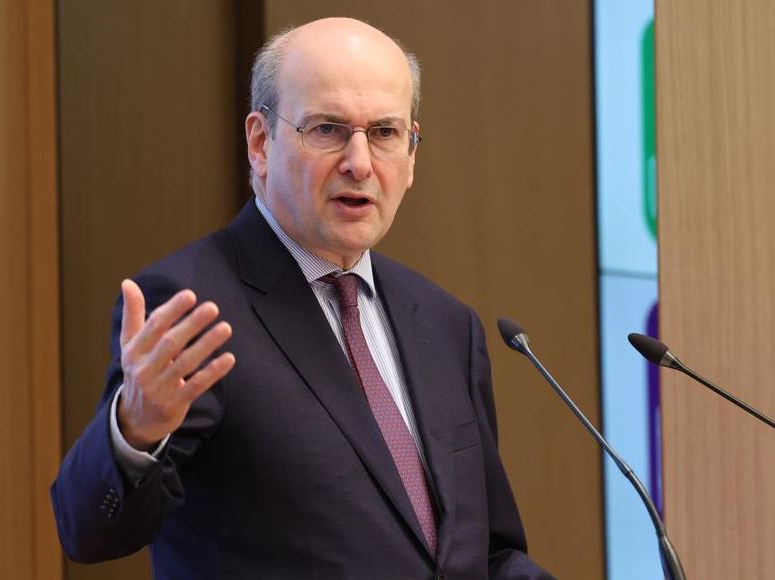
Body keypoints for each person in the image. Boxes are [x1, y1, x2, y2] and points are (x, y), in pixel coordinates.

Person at [52, 16, 554, 580]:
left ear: (411, 154)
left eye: (385, 133)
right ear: (260, 142)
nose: (360, 163)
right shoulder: (193, 305)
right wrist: (134, 432)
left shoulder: (446, 325)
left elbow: (489, 555)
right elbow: (88, 532)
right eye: (327, 129)